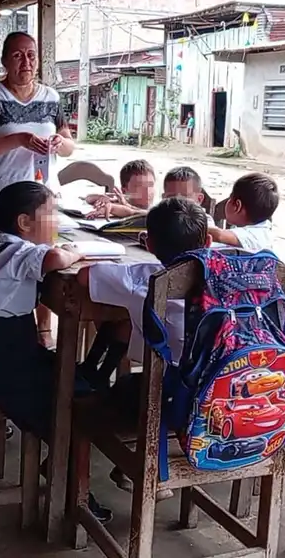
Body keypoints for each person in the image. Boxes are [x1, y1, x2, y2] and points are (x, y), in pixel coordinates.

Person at [0, 180, 113, 524]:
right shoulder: (20, 252)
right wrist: (77, 251)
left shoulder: (0, 243)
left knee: (78, 387)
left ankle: (66, 464)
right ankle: (75, 489)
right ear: (24, 222)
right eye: (51, 213)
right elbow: (57, 257)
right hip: (7, 366)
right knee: (70, 409)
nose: (56, 220)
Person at [77, 196, 211, 499]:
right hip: (236, 393)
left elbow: (85, 276)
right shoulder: (237, 275)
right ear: (209, 242)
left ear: (148, 244)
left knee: (110, 392)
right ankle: (158, 454)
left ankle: (144, 462)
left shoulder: (144, 277)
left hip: (174, 400)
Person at [0, 32, 76, 194]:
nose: (26, 62)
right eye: (17, 56)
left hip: (43, 193)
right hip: (1, 193)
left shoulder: (51, 97)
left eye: (31, 55)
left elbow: (69, 147)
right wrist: (19, 139)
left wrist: (59, 143)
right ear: (4, 61)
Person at [207, 172, 279, 252]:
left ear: (237, 206)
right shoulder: (264, 229)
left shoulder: (256, 235)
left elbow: (219, 235)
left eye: (230, 198)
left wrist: (198, 226)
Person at [85, 159, 156, 219]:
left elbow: (151, 215)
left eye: (150, 185)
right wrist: (101, 198)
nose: (147, 191)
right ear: (124, 191)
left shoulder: (158, 209)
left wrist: (126, 206)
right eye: (139, 187)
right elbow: (88, 198)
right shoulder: (121, 202)